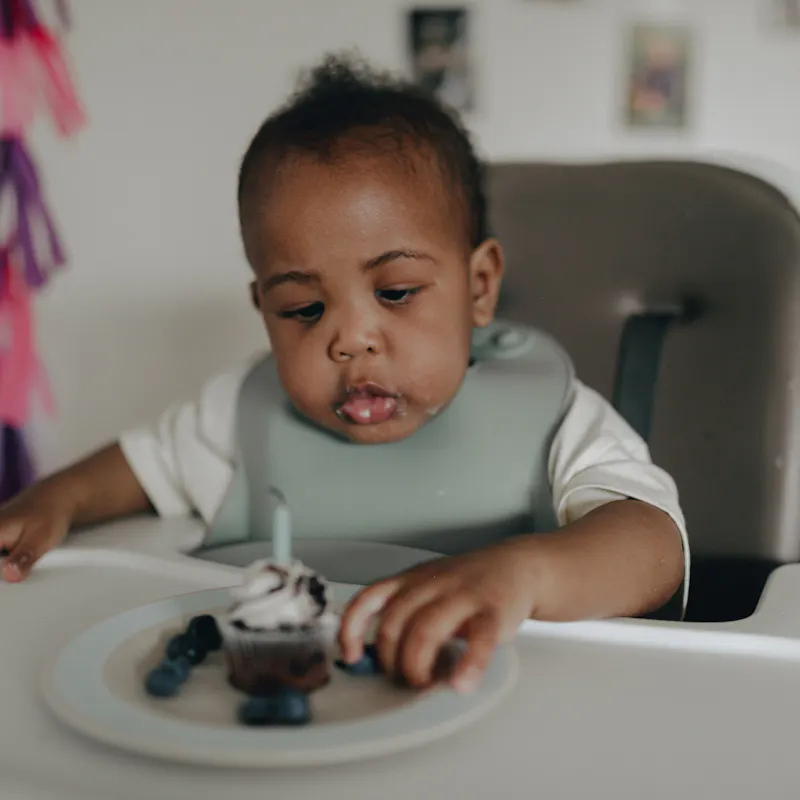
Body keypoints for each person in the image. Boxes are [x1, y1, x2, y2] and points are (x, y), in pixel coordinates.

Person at [0, 55, 688, 694]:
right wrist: (53, 502)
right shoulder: (241, 415)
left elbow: (654, 546)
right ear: (264, 310)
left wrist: (527, 574)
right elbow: (142, 465)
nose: (350, 340)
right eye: (304, 308)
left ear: (479, 286)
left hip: (495, 702)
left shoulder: (549, 416)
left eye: (396, 292)